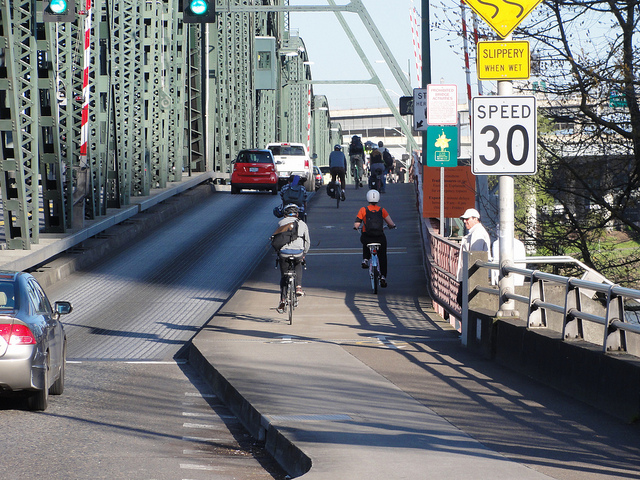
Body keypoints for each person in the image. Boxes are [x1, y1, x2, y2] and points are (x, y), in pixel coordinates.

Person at [353, 189, 396, 287]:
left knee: (365, 241)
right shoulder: (382, 210)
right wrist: (392, 226)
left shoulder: (363, 210)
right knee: (383, 256)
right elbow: (391, 223)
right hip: (379, 237)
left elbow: (357, 223)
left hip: (367, 237)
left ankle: (365, 259)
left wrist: (356, 227)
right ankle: (383, 277)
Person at [275, 204, 311, 314]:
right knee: (298, 263)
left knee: (284, 276)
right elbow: (307, 242)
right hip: (298, 252)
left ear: (285, 214)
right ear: (297, 214)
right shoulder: (302, 224)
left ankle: (283, 299)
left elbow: (277, 239)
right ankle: (298, 287)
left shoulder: (281, 223)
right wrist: (304, 253)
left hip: (284, 253)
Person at [456, 208, 491, 282]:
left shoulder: (478, 233)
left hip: (473, 276)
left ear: (475, 219)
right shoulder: (475, 232)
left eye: (467, 219)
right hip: (470, 274)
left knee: (462, 293)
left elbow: (475, 255)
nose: (465, 221)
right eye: (463, 219)